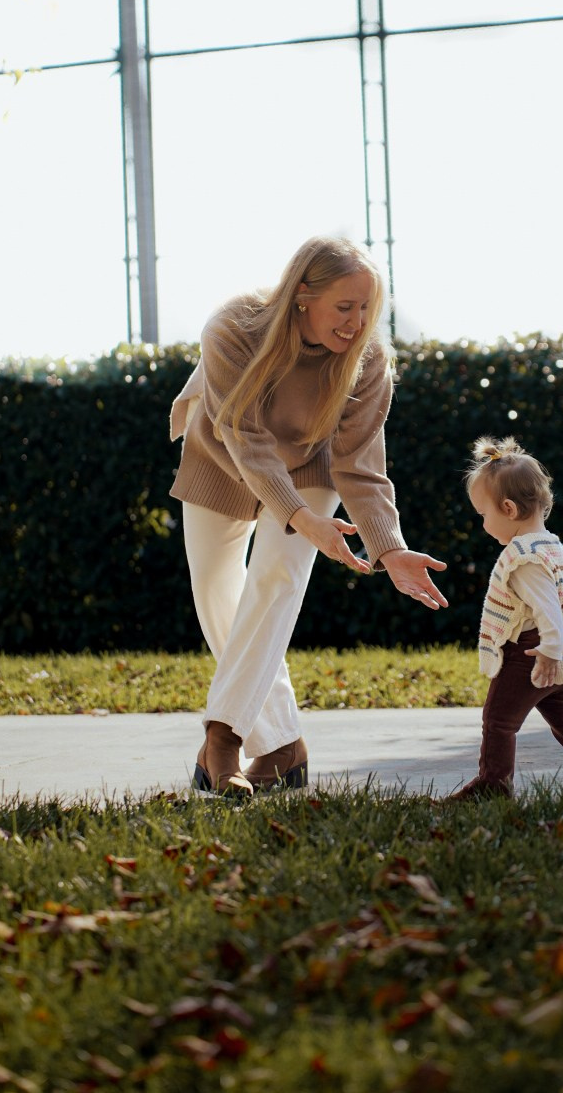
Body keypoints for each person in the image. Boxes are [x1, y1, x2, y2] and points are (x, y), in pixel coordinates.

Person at [169, 236, 448, 799]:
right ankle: (283, 746)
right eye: (344, 307)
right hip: (223, 457)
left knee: (278, 577)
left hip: (310, 463)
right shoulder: (233, 328)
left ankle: (222, 739)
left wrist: (388, 548)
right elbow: (243, 436)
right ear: (302, 295)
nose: (357, 322)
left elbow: (361, 466)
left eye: (368, 308)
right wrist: (297, 515)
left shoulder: (368, 361)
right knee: (215, 589)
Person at [447, 435, 563, 800]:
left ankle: (493, 785)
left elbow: (549, 610)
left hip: (530, 653)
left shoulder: (524, 556)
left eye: (483, 515)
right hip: (553, 651)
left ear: (508, 509)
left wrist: (549, 649)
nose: (482, 524)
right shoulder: (553, 547)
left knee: (498, 721)